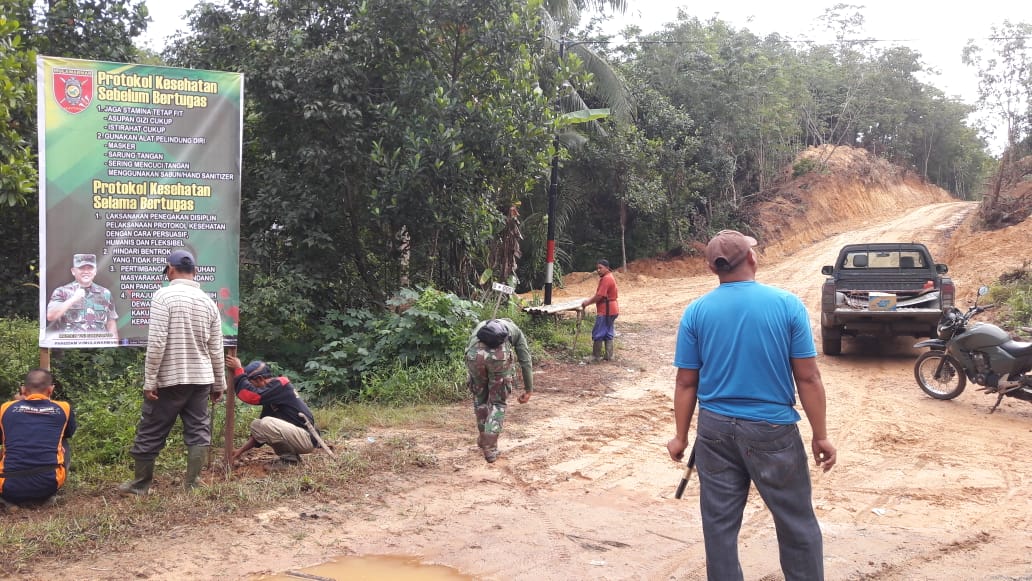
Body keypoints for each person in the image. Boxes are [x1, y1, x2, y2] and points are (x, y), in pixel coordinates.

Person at [666, 229, 837, 581]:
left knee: (719, 526)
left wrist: (680, 437)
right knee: (795, 523)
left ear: (714, 269)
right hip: (772, 430)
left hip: (714, 431)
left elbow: (686, 382)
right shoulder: (787, 305)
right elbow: (808, 378)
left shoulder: (696, 312)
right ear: (752, 259)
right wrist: (820, 435)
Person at [119, 250, 225, 495]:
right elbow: (216, 348)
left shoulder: (163, 296)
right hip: (201, 379)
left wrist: (150, 380)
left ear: (170, 269)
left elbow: (157, 342)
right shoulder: (208, 302)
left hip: (170, 378)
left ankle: (140, 485)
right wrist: (219, 384)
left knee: (152, 429)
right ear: (195, 272)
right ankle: (193, 483)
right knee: (199, 429)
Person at [0, 369, 76, 507]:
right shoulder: (64, 408)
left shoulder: (5, 408)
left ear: (23, 389)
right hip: (49, 484)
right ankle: (47, 498)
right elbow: (69, 432)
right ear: (51, 389)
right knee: (63, 441)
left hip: (8, 486)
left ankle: (7, 502)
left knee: (8, 440)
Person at [225, 356, 318, 468]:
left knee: (266, 422)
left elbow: (251, 396)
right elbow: (261, 433)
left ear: (260, 379)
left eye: (251, 383)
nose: (252, 387)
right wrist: (240, 451)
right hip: (298, 436)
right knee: (257, 425)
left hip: (307, 438)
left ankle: (289, 461)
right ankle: (291, 457)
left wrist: (238, 370)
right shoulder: (271, 395)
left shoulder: (280, 385)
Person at [465, 318, 533, 463]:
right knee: (498, 403)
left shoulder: (480, 325)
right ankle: (489, 448)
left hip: (473, 355)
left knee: (480, 398)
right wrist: (528, 389)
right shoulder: (515, 330)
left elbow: (469, 347)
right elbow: (525, 360)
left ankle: (484, 438)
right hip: (499, 358)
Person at [46, 253, 119, 338]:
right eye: (81, 268)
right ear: (73, 271)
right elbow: (51, 316)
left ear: (95, 271)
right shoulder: (61, 291)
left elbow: (111, 323)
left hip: (98, 347)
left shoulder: (105, 293)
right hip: (71, 347)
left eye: (90, 268)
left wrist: (113, 345)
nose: (86, 272)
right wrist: (73, 299)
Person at [580, 258, 619, 362]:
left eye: (600, 268)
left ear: (607, 268)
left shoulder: (606, 278)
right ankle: (609, 355)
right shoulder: (610, 276)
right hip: (612, 309)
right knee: (608, 332)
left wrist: (587, 302)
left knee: (598, 332)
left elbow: (600, 296)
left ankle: (595, 356)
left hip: (606, 310)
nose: (598, 270)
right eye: (597, 268)